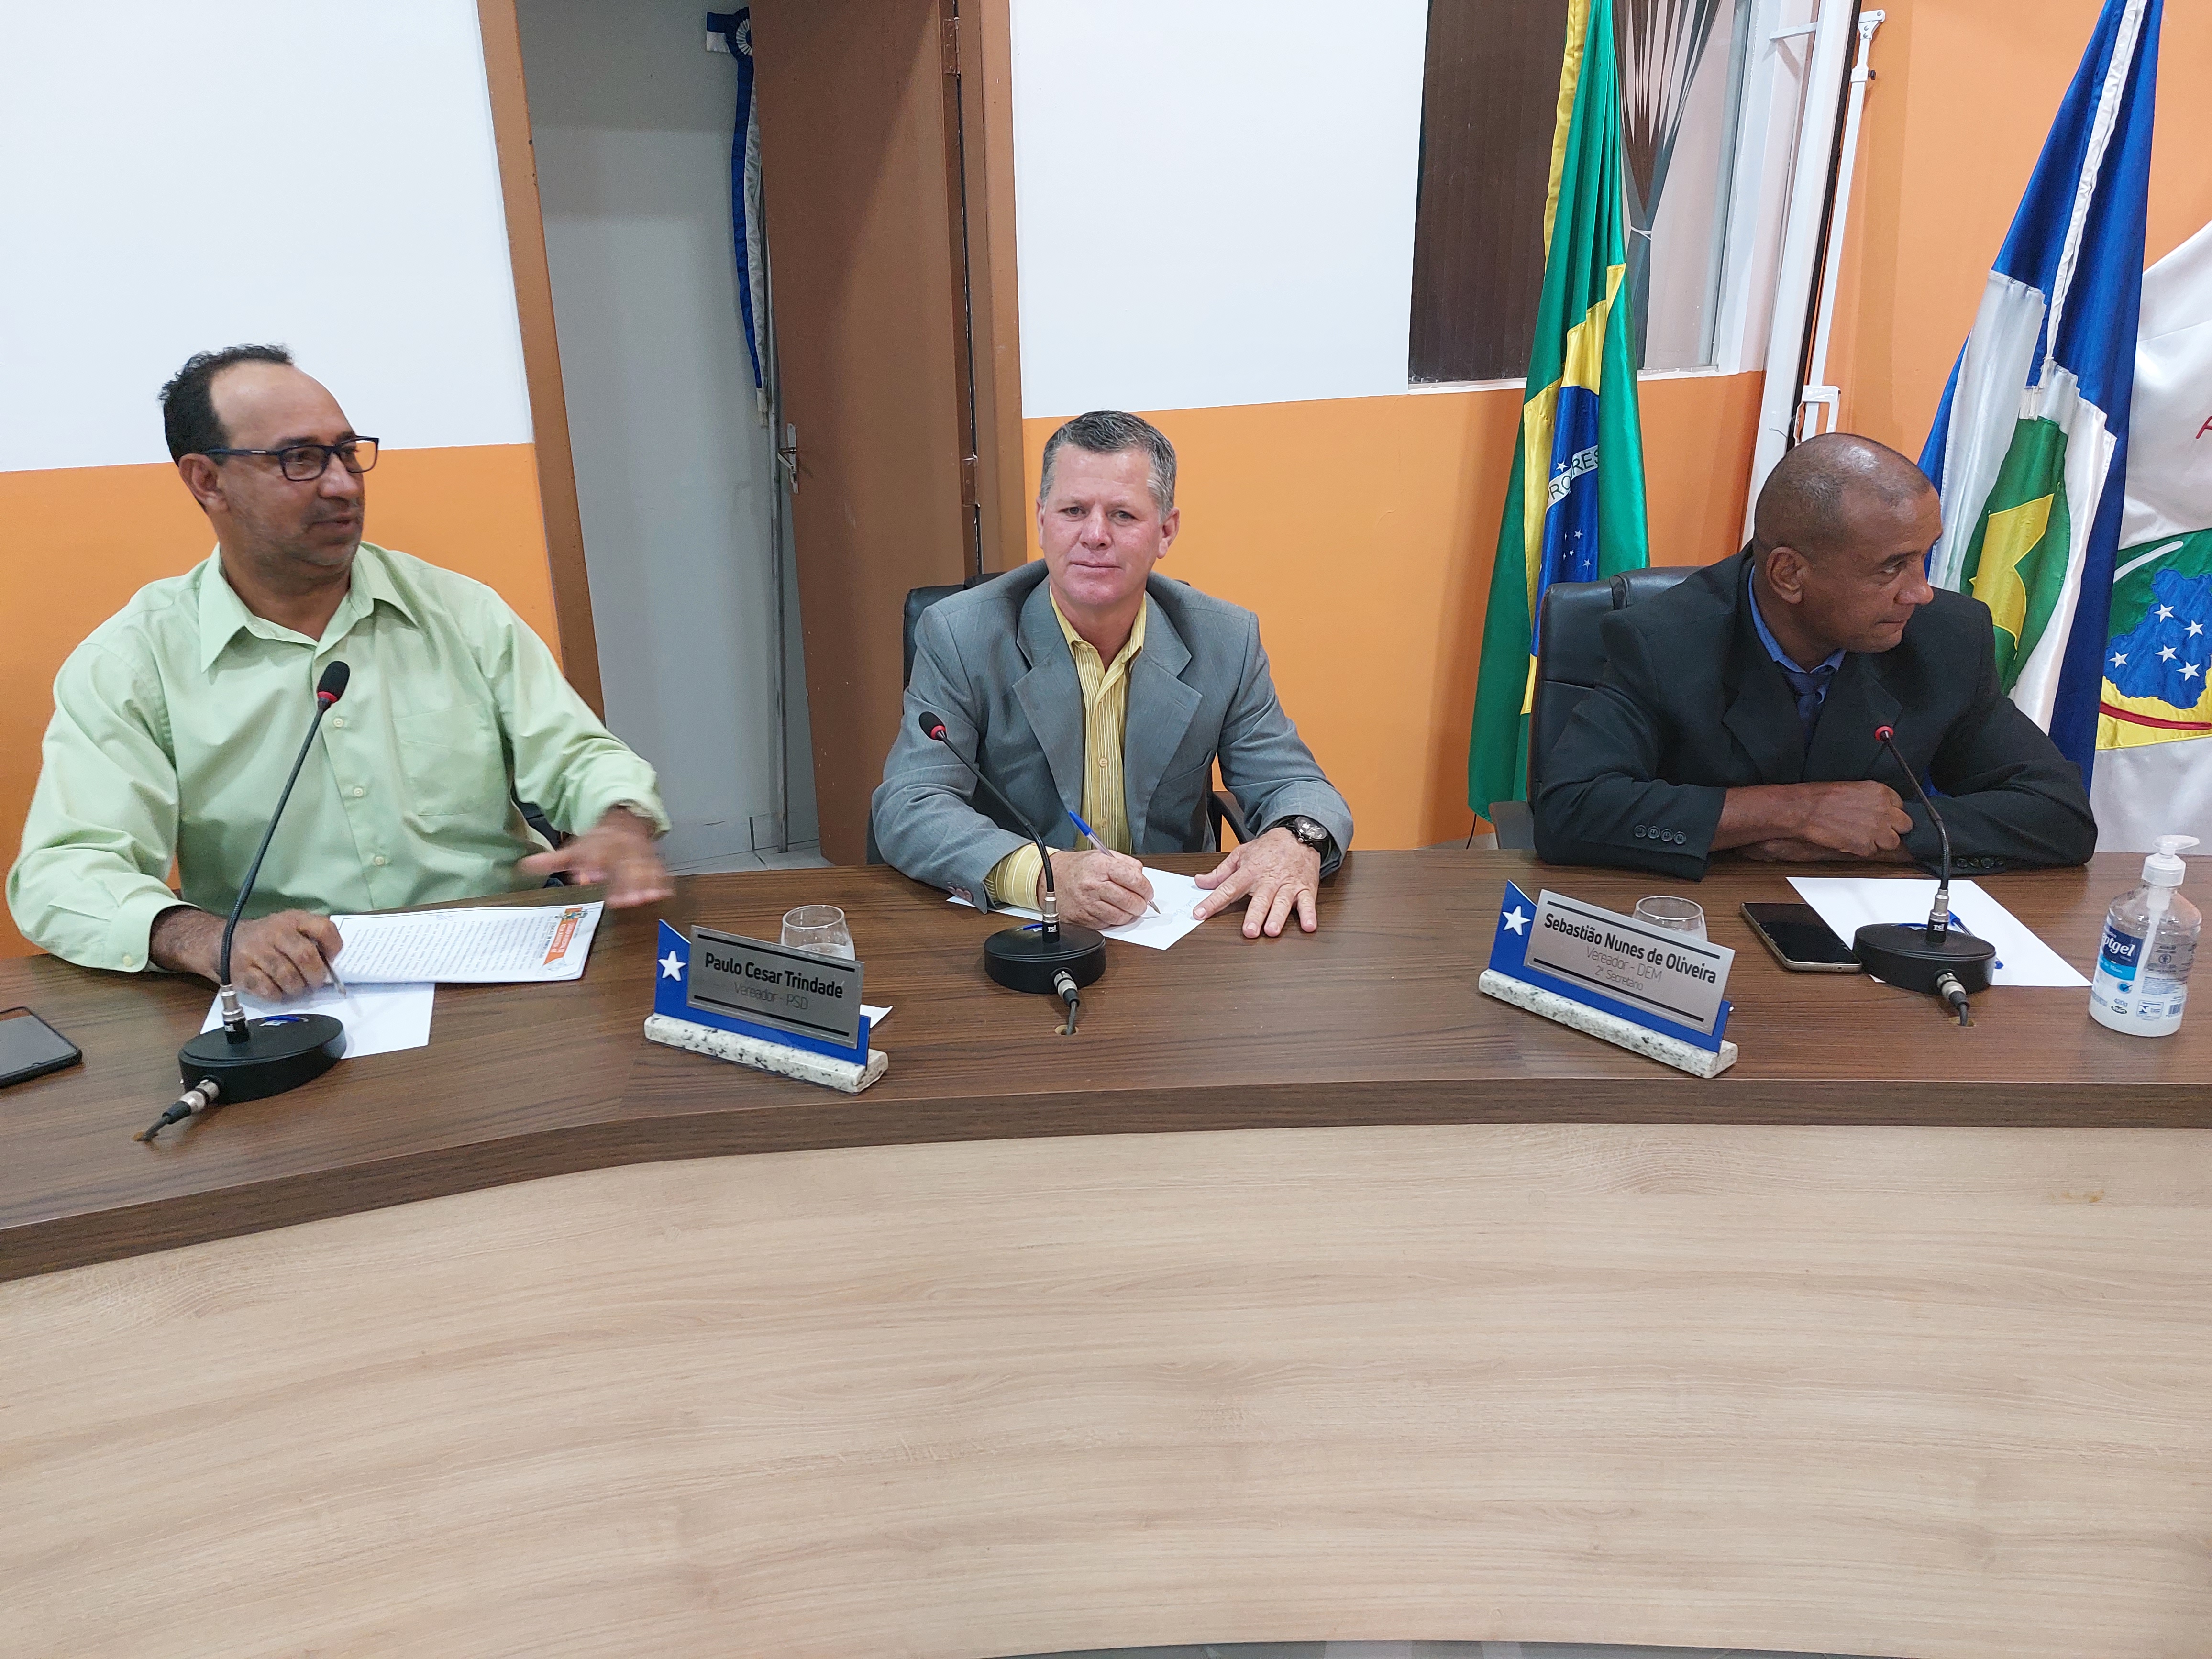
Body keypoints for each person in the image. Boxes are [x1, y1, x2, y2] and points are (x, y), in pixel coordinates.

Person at [8, 344, 673, 996]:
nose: (343, 484)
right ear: (207, 481)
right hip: (295, 991)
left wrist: (617, 821)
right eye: (299, 458)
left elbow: (578, 755)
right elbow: (64, 871)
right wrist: (207, 938)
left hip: (500, 962)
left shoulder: (458, 611)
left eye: (347, 453)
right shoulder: (134, 662)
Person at [872, 410, 1352, 938]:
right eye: (1073, 511)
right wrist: (1045, 876)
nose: (1095, 535)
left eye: (1123, 515)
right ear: (1042, 521)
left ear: (1165, 532)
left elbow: (1294, 783)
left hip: (1172, 928)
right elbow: (910, 805)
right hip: (1017, 929)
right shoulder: (961, 634)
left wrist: (1296, 840)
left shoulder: (1224, 639)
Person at [1534, 431, 2097, 876]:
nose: (1920, 592)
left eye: (1924, 557)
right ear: (1789, 574)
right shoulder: (1662, 640)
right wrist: (1794, 811)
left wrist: (1874, 838)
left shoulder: (1946, 637)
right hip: (1694, 926)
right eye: (1892, 567)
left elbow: (2059, 814)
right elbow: (1570, 809)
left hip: (1864, 925)